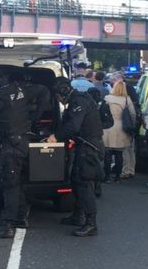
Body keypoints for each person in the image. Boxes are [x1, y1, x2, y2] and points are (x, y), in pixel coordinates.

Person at [0, 68, 50, 239]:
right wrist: (36, 116)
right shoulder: (21, 89)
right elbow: (44, 90)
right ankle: (21, 216)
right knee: (17, 182)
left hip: (10, 146)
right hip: (25, 142)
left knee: (10, 185)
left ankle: (7, 225)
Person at [48, 77, 105, 237]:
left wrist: (56, 136)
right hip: (85, 144)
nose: (58, 99)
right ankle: (78, 215)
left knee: (85, 184)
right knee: (76, 181)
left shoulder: (78, 102)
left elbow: (73, 125)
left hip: (89, 147)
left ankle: (91, 223)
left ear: (64, 91)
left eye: (58, 96)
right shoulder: (80, 99)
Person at [102, 81, 135, 183]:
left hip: (108, 128)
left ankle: (107, 177)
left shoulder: (107, 98)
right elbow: (132, 114)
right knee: (119, 154)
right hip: (121, 128)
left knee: (107, 154)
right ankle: (117, 177)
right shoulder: (127, 99)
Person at [111, 72, 140, 178]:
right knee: (131, 148)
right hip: (130, 125)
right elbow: (133, 113)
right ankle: (131, 170)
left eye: (113, 81)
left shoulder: (113, 98)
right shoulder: (130, 93)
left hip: (121, 125)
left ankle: (125, 170)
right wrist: (133, 124)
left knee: (124, 149)